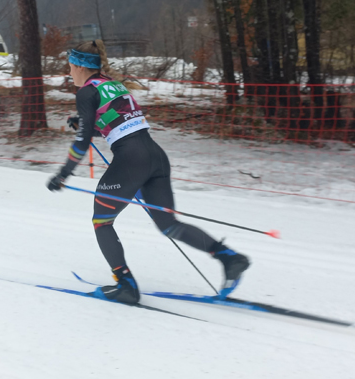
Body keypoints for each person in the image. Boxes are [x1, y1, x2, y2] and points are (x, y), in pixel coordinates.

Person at [47, 40, 250, 304]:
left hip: (131, 161)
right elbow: (119, 123)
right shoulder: (113, 85)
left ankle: (126, 285)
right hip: (156, 158)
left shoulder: (86, 92)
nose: (69, 72)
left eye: (70, 66)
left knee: (101, 222)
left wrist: (63, 174)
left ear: (79, 66)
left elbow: (82, 142)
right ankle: (229, 258)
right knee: (169, 225)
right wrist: (87, 124)